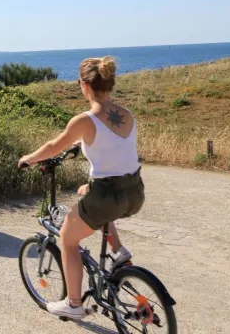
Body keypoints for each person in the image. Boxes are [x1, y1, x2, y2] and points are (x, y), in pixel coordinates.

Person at [18, 57, 144, 320]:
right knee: (90, 195)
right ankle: (119, 253)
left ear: (84, 85)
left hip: (108, 195)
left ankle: (74, 304)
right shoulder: (127, 115)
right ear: (110, 84)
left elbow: (54, 147)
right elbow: (115, 151)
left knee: (67, 238)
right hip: (134, 191)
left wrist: (29, 158)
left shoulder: (84, 120)